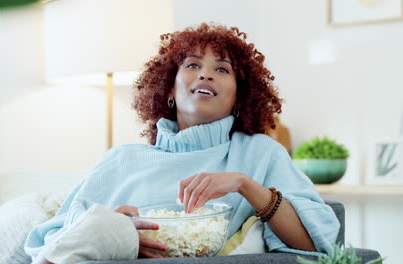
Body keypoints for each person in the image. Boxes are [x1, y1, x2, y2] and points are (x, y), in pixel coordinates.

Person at [24, 23, 340, 264]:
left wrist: (245, 185)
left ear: (239, 97)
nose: (205, 75)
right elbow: (49, 244)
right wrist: (109, 231)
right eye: (192, 65)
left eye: (221, 69)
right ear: (170, 91)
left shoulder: (259, 153)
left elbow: (318, 245)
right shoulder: (121, 159)